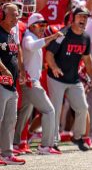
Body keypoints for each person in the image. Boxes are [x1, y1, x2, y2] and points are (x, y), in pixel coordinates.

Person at [45, 6, 92, 152]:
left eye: (86, 17)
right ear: (73, 18)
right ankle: (52, 142)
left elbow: (87, 59)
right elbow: (49, 54)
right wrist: (53, 67)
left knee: (83, 107)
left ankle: (78, 137)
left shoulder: (85, 37)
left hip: (73, 79)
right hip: (56, 77)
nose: (83, 19)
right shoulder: (63, 34)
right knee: (54, 110)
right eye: (80, 16)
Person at [13, 13, 62, 155]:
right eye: (41, 25)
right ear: (32, 25)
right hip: (30, 82)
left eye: (45, 25)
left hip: (29, 81)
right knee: (49, 110)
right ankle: (45, 146)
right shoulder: (29, 36)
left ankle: (16, 143)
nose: (43, 28)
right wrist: (52, 37)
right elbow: (31, 46)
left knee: (24, 114)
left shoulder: (34, 35)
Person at [0, 3, 26, 165]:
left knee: (10, 121)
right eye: (13, 14)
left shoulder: (10, 34)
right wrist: (3, 70)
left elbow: (15, 55)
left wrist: (21, 71)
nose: (17, 18)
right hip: (1, 83)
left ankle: (7, 154)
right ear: (2, 15)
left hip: (11, 85)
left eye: (17, 15)